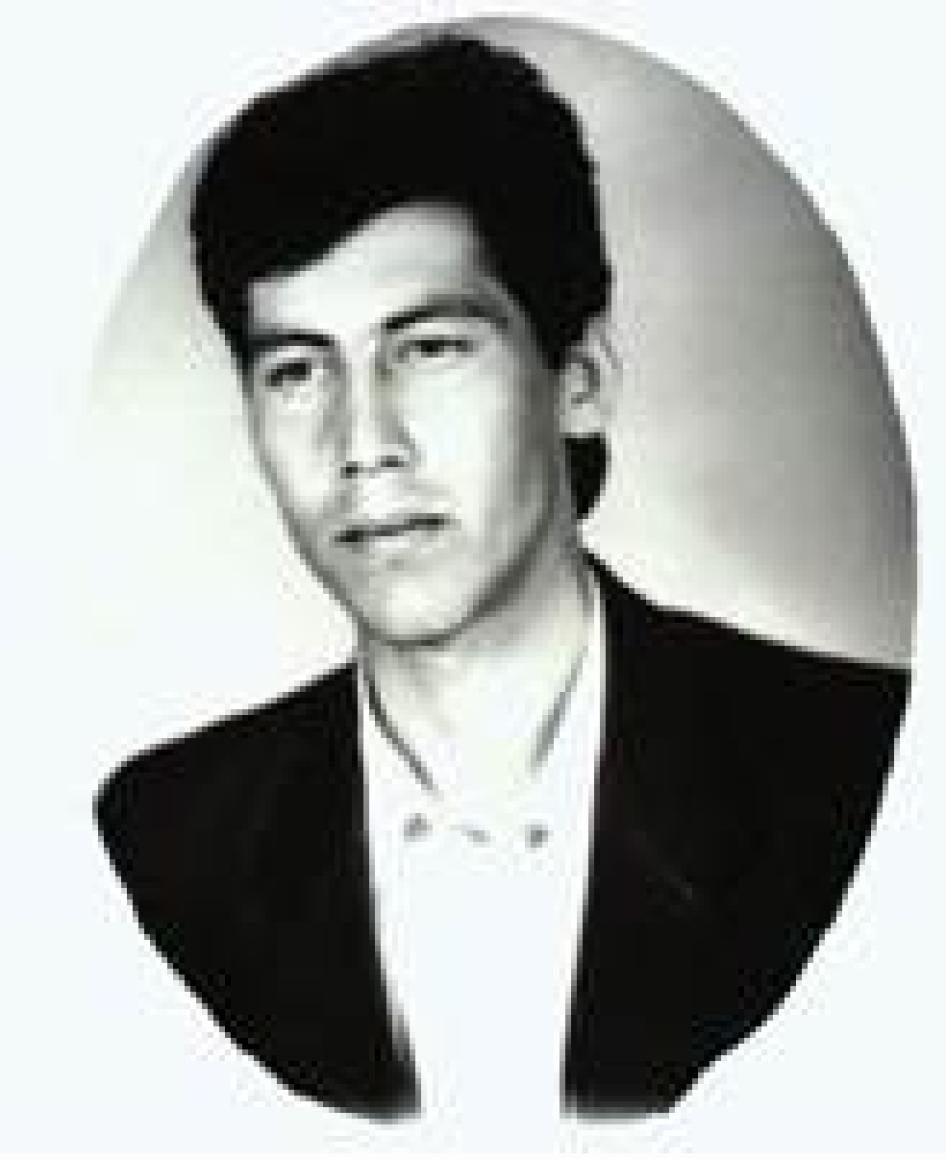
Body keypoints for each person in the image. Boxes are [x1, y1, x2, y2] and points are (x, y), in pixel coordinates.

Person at [94, 33, 910, 1121]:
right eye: (296, 370)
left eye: (429, 348)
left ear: (578, 380)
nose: (362, 443)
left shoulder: (859, 770)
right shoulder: (164, 842)